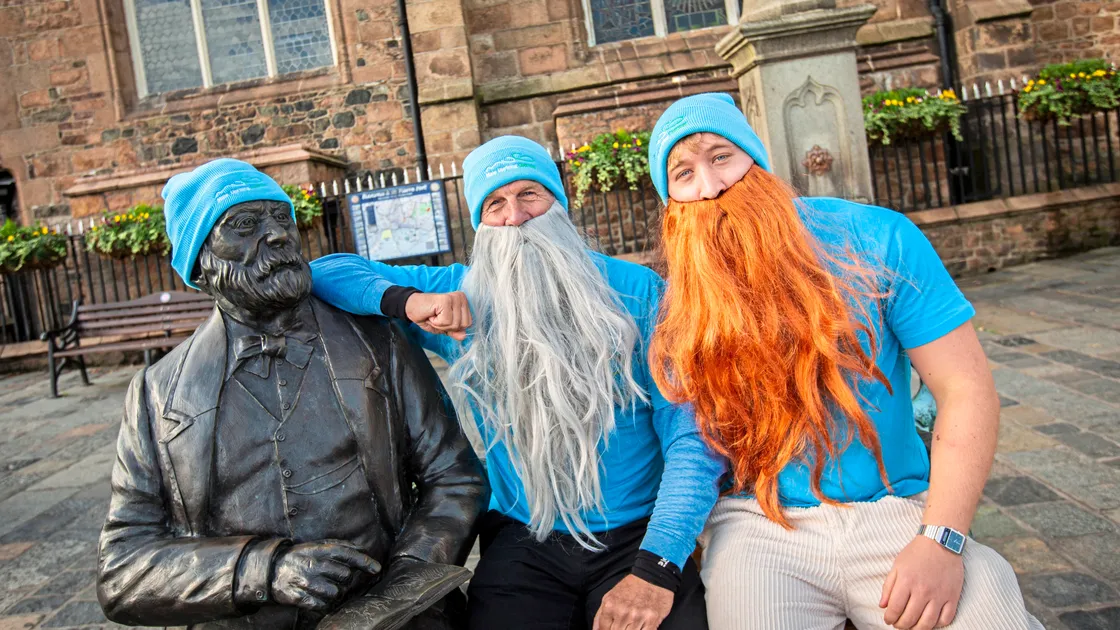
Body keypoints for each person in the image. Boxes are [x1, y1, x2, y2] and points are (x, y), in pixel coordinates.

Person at [645, 94, 1042, 630]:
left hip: (895, 509)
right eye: (683, 173)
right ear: (670, 201)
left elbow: (964, 389)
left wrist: (941, 540)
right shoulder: (682, 300)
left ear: (756, 161)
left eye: (721, 157)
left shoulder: (879, 239)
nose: (711, 187)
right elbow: (694, 441)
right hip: (761, 525)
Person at [309, 136, 723, 630]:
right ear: (480, 223)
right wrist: (409, 301)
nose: (515, 217)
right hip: (526, 538)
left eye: (530, 194)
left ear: (558, 203)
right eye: (495, 204)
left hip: (637, 534)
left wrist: (656, 569)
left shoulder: (637, 292)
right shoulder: (463, 295)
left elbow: (690, 434)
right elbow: (323, 270)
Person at [97, 159, 488, 629]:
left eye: (282, 219)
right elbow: (122, 569)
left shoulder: (378, 343)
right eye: (243, 225)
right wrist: (263, 571)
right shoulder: (157, 393)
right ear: (200, 261)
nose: (278, 235)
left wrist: (400, 588)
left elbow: (456, 478)